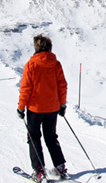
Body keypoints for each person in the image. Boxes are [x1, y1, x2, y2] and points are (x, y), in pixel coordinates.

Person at [17, 34, 69, 181]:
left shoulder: (31, 64)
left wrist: (21, 108)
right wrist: (62, 104)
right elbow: (62, 86)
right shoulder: (56, 64)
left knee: (34, 138)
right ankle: (60, 167)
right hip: (52, 108)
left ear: (37, 47)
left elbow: (26, 88)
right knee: (51, 137)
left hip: (35, 109)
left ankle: (39, 171)